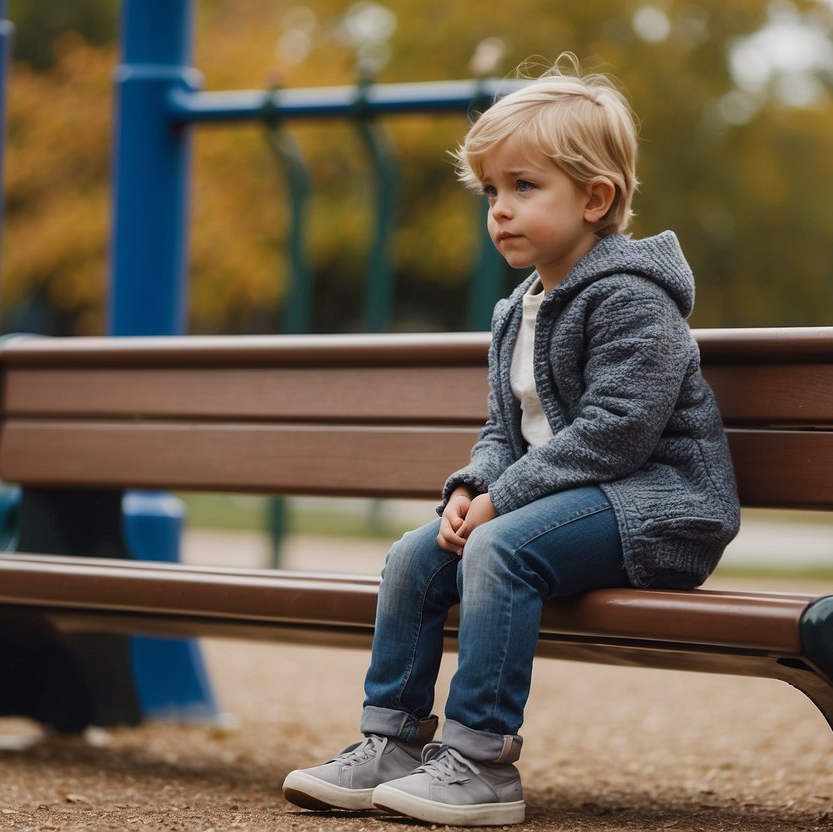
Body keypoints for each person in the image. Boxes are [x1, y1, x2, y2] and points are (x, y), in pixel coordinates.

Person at [281, 54, 740, 827]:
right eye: (491, 190)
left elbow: (615, 435)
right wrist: (468, 489)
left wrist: (503, 500)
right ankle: (390, 743)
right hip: (566, 501)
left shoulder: (631, 300)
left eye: (523, 188)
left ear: (596, 198)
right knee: (415, 554)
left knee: (499, 548)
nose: (498, 209)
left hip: (661, 507)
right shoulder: (517, 309)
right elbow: (506, 429)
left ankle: (480, 762)